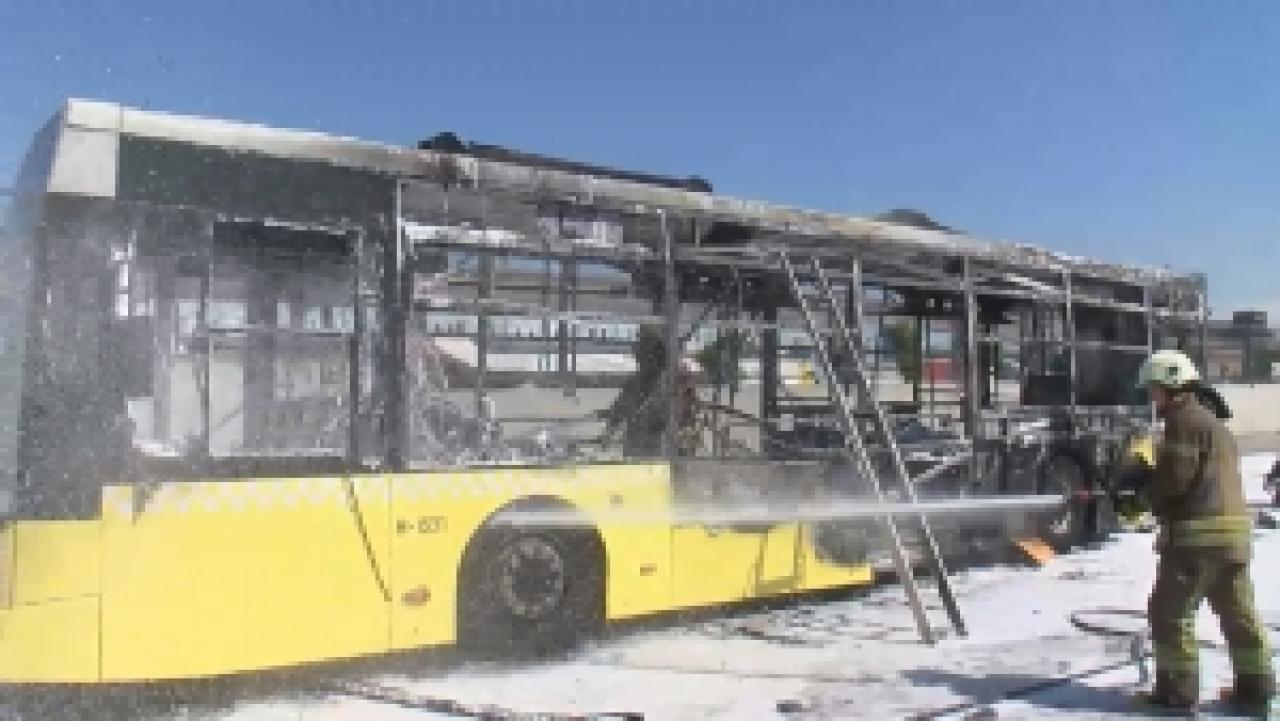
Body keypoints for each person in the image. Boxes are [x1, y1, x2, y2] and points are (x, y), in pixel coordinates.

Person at [1133, 350, 1274, 714]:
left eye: (1154, 390)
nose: (1152, 397)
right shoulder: (1215, 424)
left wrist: (1143, 493)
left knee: (1170, 613)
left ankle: (1176, 692)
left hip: (1197, 540)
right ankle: (1256, 689)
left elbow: (1175, 481)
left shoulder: (1183, 422)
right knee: (1238, 614)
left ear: (1171, 386)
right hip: (1234, 539)